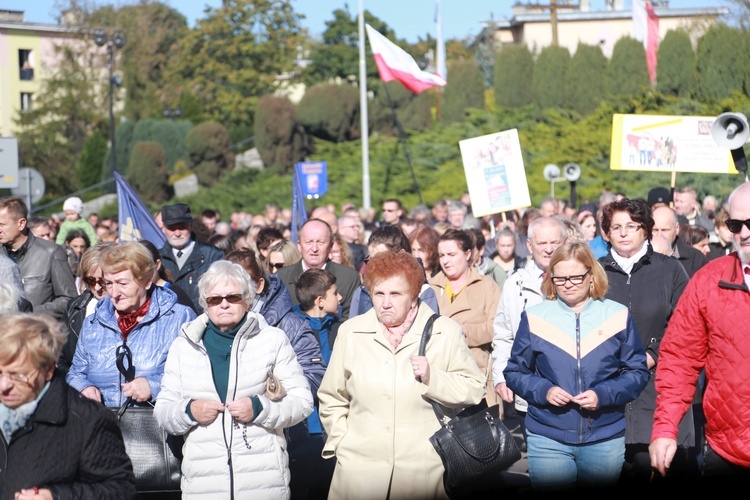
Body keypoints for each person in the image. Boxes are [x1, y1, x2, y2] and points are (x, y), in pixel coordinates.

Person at [318, 251, 485, 498]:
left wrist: (433, 378)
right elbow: (332, 396)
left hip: (424, 472)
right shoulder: (351, 333)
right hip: (359, 473)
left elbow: (474, 389)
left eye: (396, 294)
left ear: (414, 295)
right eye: (379, 294)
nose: (386, 303)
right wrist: (342, 442)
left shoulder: (444, 332)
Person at [154, 260, 313, 498]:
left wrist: (261, 408)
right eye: (215, 299)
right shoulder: (183, 346)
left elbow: (302, 402)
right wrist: (189, 411)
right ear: (205, 305)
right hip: (204, 485)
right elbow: (163, 412)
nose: (224, 304)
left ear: (247, 299)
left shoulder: (272, 340)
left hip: (263, 482)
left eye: (233, 297)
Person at [504, 242, 648, 492]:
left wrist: (602, 394)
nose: (568, 283)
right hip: (548, 435)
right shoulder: (535, 317)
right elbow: (515, 372)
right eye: (560, 278)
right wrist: (544, 391)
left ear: (591, 275)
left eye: (576, 277)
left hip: (603, 435)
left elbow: (636, 372)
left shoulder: (617, 315)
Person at [650, 182, 750, 487]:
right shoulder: (709, 280)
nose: (744, 234)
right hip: (727, 450)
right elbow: (679, 358)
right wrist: (666, 427)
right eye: (736, 225)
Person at [598, 198, 695, 484]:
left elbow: (685, 326)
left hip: (657, 387)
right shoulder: (595, 272)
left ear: (646, 230)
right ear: (607, 232)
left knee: (651, 467)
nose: (624, 232)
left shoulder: (670, 270)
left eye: (632, 225)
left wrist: (653, 352)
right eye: (616, 227)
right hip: (607, 389)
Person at [0, 313, 137, 499]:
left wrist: (56, 496)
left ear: (48, 370)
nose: (4, 385)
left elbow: (121, 491)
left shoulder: (88, 420)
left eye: (18, 375)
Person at [66, 242, 196, 407]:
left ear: (147, 281)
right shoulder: (93, 323)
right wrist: (84, 387)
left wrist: (153, 385)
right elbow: (75, 373)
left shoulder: (179, 317)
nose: (114, 293)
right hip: (102, 423)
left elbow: (194, 374)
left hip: (153, 424)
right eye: (109, 283)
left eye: (123, 284)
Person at [493, 216, 567, 448]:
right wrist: (500, 376)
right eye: (542, 243)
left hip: (571, 390)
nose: (548, 249)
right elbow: (504, 335)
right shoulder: (514, 284)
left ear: (565, 242)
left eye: (554, 242)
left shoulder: (581, 281)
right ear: (529, 245)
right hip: (529, 391)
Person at [430, 228, 501, 406]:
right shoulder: (430, 287)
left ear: (468, 254)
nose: (445, 261)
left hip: (477, 372)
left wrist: (463, 331)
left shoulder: (486, 286)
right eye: (441, 255)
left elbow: (498, 327)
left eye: (452, 254)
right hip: (439, 375)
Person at [0, 196, 78, 319]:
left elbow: (69, 299)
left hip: (38, 332)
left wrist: (29, 312)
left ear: (21, 223)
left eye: (2, 225)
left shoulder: (52, 253)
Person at [276, 219, 361, 318]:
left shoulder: (348, 277)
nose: (314, 249)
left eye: (320, 242)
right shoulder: (282, 277)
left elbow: (351, 319)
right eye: (309, 242)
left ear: (331, 246)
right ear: (299, 246)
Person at [351, 225, 439, 318]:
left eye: (382, 260)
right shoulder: (362, 291)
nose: (375, 266)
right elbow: (352, 329)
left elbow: (429, 329)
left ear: (402, 255)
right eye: (371, 260)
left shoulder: (423, 292)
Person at [59, 242, 116, 375]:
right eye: (90, 281)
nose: (97, 288)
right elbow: (61, 355)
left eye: (103, 281)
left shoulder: (131, 308)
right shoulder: (74, 307)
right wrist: (78, 383)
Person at [158, 203, 225, 313]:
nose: (177, 233)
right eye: (172, 228)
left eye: (182, 227)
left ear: (191, 226)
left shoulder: (213, 255)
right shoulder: (157, 259)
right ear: (164, 228)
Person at [139, 239, 197, 312]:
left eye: (145, 266)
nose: (140, 272)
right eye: (135, 268)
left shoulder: (175, 295)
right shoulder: (136, 297)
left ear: (157, 264)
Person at [652, 205, 708, 278]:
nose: (659, 235)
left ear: (677, 228)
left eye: (665, 230)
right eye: (655, 230)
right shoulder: (640, 257)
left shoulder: (696, 259)